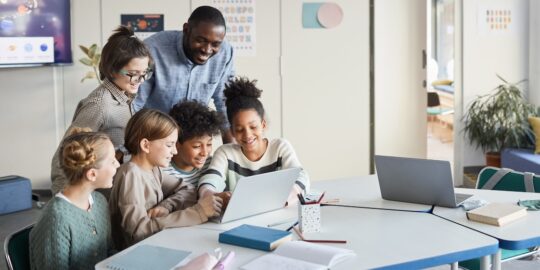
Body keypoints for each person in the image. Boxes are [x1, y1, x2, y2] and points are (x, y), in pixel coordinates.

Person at [50, 25, 153, 194]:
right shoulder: (100, 105)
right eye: (133, 74)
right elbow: (65, 155)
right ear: (112, 70)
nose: (139, 80)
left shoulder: (127, 96)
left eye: (144, 73)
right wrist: (65, 199)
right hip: (97, 194)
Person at [108, 109, 223, 249]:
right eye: (169, 145)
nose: (174, 151)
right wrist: (197, 213)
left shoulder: (154, 169)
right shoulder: (130, 174)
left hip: (154, 246)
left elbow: (188, 189)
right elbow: (138, 231)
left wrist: (166, 206)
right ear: (145, 145)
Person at [198, 77, 310, 203]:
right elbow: (210, 180)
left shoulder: (280, 147)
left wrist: (289, 196)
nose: (247, 134)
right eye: (239, 129)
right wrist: (209, 195)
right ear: (232, 131)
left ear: (263, 125)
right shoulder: (225, 153)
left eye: (253, 127)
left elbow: (301, 177)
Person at [134, 5, 235, 143]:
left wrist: (232, 156)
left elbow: (224, 102)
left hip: (193, 143)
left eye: (215, 44)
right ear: (186, 30)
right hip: (155, 139)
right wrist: (126, 149)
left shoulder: (225, 52)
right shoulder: (152, 50)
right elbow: (134, 104)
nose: (207, 50)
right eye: (200, 40)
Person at [30, 128, 119, 270]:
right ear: (92, 175)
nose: (118, 165)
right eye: (112, 161)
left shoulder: (100, 202)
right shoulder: (57, 218)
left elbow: (108, 253)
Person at [163, 100, 225, 186]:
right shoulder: (162, 172)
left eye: (209, 144)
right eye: (197, 146)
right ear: (176, 143)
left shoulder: (212, 165)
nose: (205, 153)